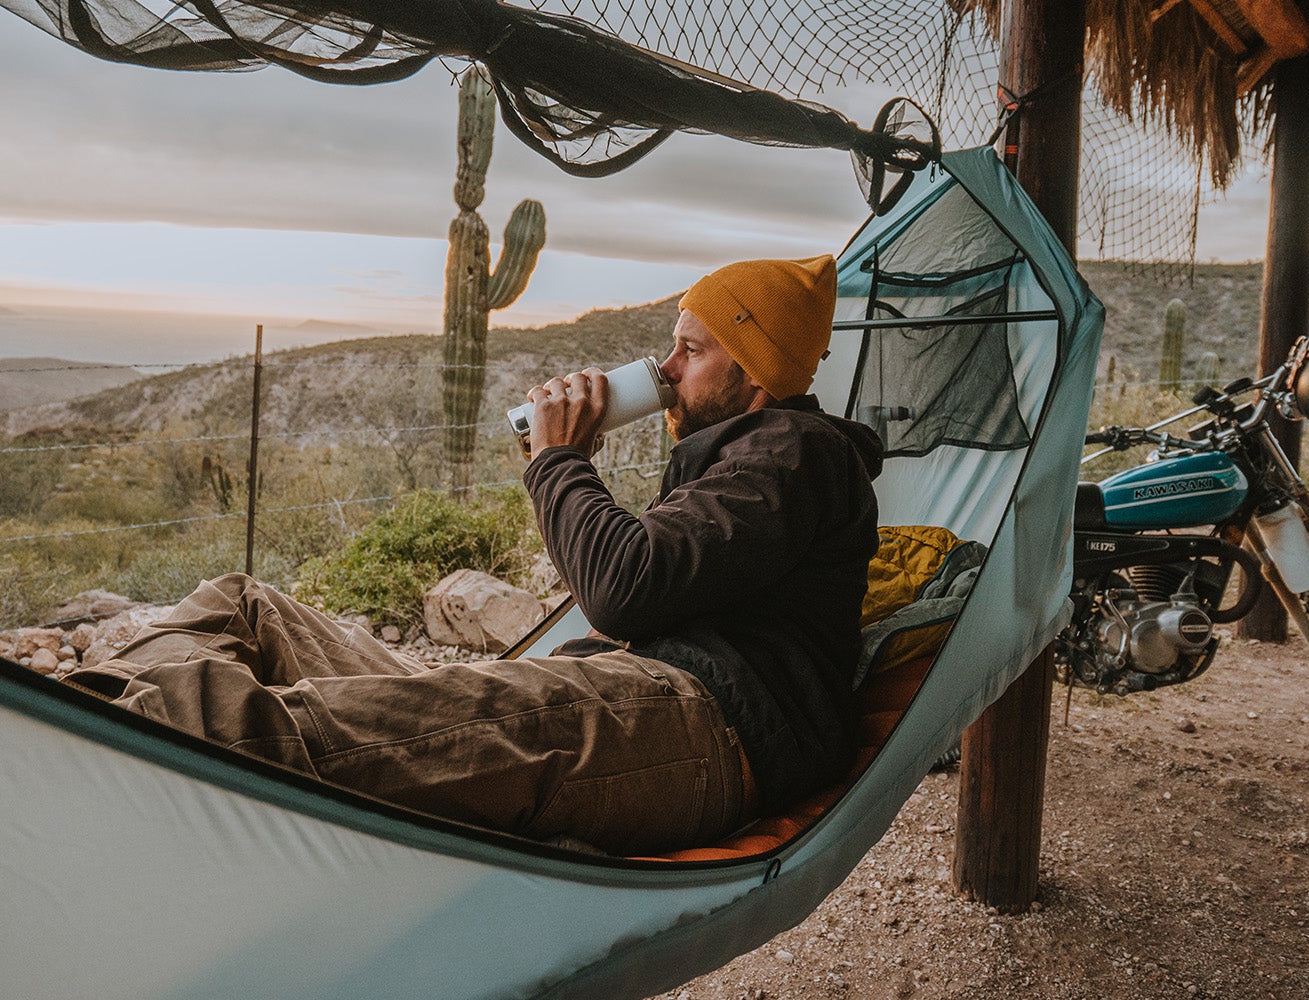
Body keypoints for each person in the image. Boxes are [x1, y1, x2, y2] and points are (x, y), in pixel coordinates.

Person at [65, 255, 883, 856]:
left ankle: (62, 749)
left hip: (702, 722)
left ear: (757, 369)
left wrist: (559, 459)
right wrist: (565, 459)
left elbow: (624, 586)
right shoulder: (745, 455)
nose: (665, 369)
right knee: (242, 602)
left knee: (242, 727)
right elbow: (645, 581)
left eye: (689, 350)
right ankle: (92, 709)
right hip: (623, 692)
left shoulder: (799, 452)